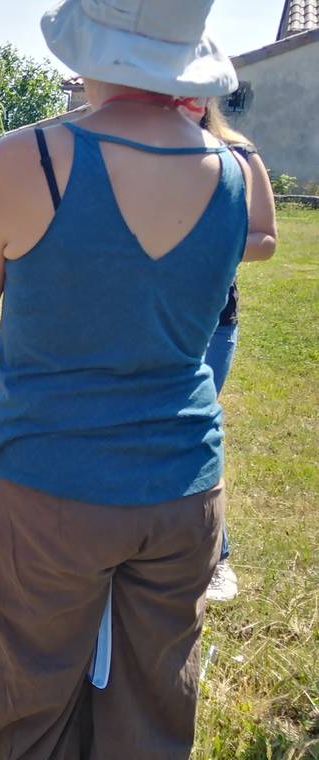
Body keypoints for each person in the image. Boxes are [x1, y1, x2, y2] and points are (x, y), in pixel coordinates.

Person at [0, 0, 249, 756]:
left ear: (93, 51)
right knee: (153, 706)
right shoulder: (237, 172)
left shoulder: (30, 157)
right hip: (183, 487)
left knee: (22, 702)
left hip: (49, 480)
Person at [192, 98, 277, 603]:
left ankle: (217, 557)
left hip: (212, 322)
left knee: (197, 432)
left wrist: (206, 237)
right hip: (150, 316)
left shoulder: (238, 153)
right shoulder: (152, 151)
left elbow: (266, 238)